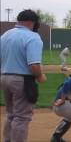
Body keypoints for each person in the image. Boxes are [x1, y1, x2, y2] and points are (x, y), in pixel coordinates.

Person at [0, 9, 47, 142]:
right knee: (21, 117)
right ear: (32, 22)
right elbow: (34, 65)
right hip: (22, 80)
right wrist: (40, 76)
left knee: (11, 114)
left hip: (4, 77)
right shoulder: (33, 37)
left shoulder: (5, 35)